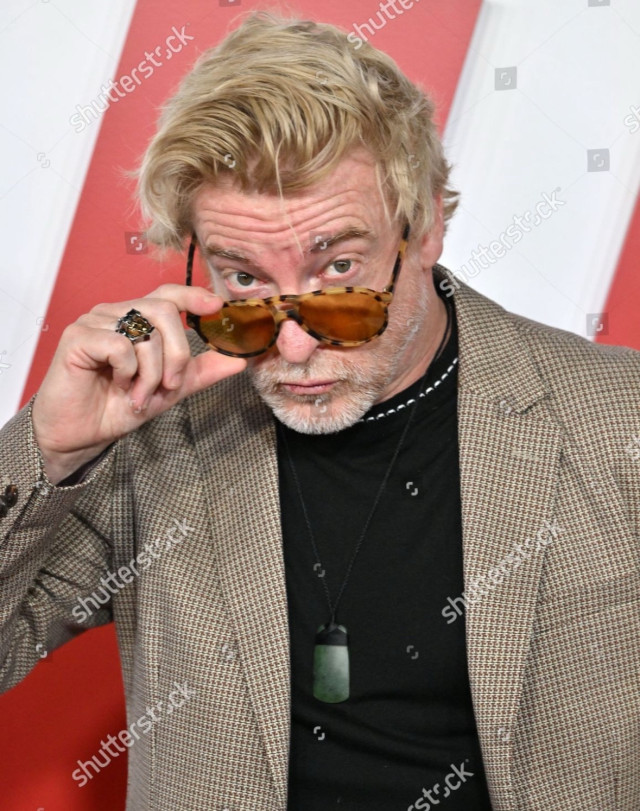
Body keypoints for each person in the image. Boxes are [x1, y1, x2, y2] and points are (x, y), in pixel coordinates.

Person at [1, 11, 638, 811]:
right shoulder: (154, 435)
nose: (293, 347)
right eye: (242, 282)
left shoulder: (620, 422)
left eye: (338, 272)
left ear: (429, 225)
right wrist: (49, 446)